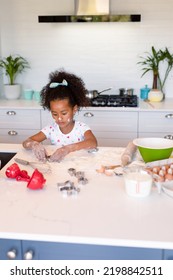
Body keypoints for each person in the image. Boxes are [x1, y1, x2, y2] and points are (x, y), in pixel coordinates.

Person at [22, 69, 98, 162]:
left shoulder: (81, 128)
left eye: (64, 113)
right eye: (54, 114)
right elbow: (26, 142)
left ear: (74, 109)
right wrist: (33, 144)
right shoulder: (50, 130)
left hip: (78, 166)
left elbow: (93, 142)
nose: (59, 118)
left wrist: (67, 149)